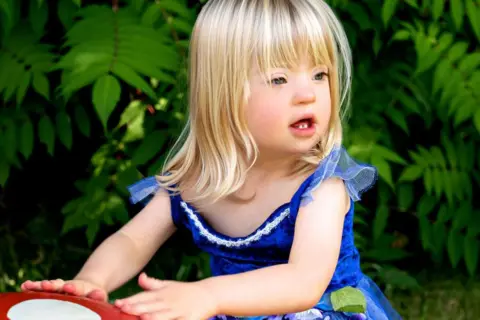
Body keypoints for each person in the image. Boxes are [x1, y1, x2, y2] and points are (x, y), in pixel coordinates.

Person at [21, 0, 403, 319]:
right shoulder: (197, 180)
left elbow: (303, 282)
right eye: (279, 79)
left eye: (320, 74)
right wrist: (92, 282)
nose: (308, 95)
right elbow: (132, 240)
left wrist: (208, 295)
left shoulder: (323, 186)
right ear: (224, 93)